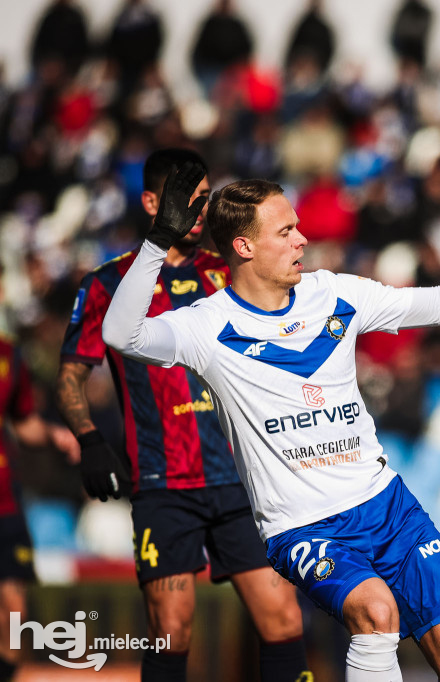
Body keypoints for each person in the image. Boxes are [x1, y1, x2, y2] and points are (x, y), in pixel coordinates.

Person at [99, 164, 440, 682]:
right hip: (303, 525)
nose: (303, 238)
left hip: (386, 504)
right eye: (285, 231)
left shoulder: (334, 293)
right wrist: (159, 240)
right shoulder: (205, 326)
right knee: (375, 613)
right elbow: (120, 335)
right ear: (244, 247)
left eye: (297, 225)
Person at [56, 149, 311, 682]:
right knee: (171, 629)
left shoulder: (232, 272)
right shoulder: (108, 284)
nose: (200, 211)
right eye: (186, 200)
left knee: (284, 621)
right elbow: (72, 376)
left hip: (241, 482)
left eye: (204, 199)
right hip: (162, 485)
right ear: (152, 202)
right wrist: (90, 439)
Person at [0, 335, 78, 682]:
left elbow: (22, 419)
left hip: (6, 501)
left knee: (15, 611)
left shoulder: (10, 355)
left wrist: (54, 434)